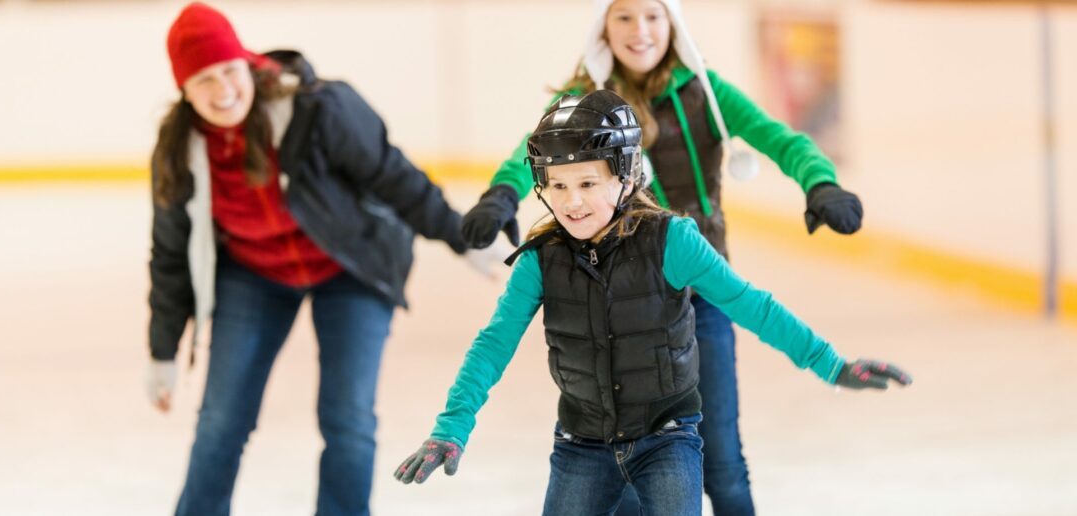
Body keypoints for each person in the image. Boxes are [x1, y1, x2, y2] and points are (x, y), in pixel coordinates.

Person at [396, 90, 910, 516]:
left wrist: (831, 364)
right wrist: (452, 428)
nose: (571, 201)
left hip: (666, 440)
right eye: (557, 185)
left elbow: (752, 306)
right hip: (581, 444)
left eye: (588, 183)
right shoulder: (541, 259)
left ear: (625, 176)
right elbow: (492, 347)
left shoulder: (672, 240)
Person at [458, 1, 865, 513]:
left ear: (672, 23)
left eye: (653, 15)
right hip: (616, 294)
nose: (640, 31)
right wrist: (500, 194)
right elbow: (532, 152)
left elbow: (781, 139)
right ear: (603, 27)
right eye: (623, 16)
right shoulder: (583, 98)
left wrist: (820, 182)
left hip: (701, 292)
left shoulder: (704, 92)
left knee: (721, 463)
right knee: (624, 468)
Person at [142, 3, 472, 515]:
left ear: (246, 63)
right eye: (203, 79)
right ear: (184, 89)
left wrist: (461, 233)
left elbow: (392, 175)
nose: (222, 90)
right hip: (254, 274)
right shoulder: (180, 149)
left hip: (351, 267)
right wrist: (163, 349)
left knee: (347, 417)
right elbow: (169, 256)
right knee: (221, 419)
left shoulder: (317, 109)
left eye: (229, 70)